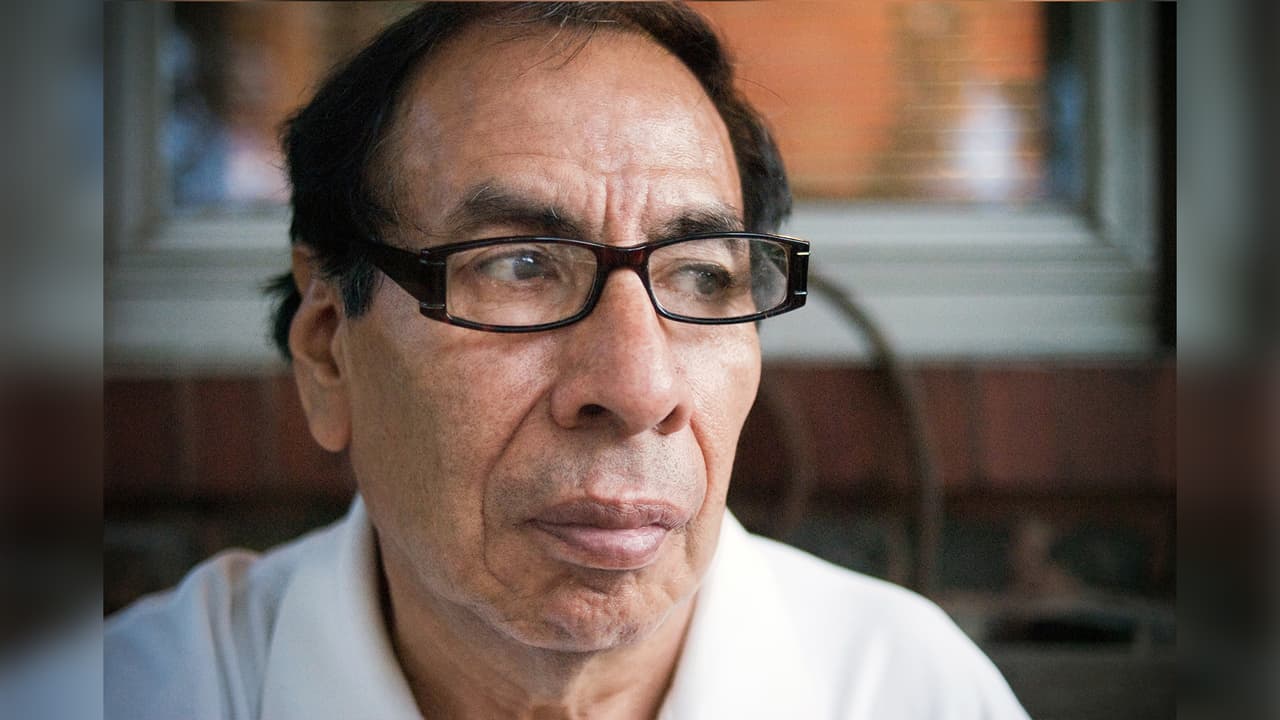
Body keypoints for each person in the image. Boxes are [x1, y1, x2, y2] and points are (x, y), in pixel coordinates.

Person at [106, 4, 1029, 718]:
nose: (639, 389)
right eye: (519, 267)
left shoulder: (906, 691)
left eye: (701, 274)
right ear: (327, 353)